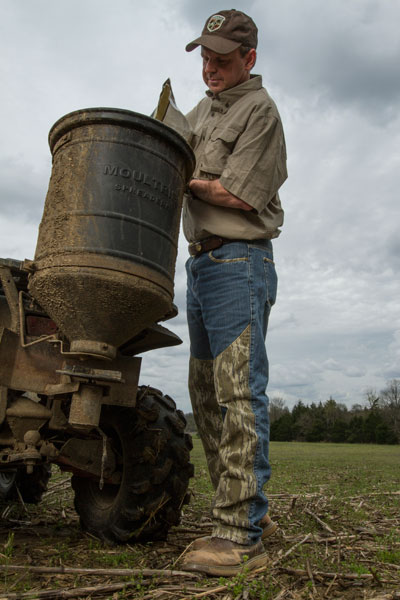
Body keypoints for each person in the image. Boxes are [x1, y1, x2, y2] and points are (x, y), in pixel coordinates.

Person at [180, 9, 287, 576]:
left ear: (249, 59)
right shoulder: (202, 111)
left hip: (239, 261)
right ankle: (249, 510)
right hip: (201, 265)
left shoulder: (260, 112)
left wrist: (182, 177)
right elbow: (169, 142)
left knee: (239, 392)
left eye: (223, 59)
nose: (211, 68)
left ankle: (240, 538)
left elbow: (239, 196)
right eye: (205, 57)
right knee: (203, 391)